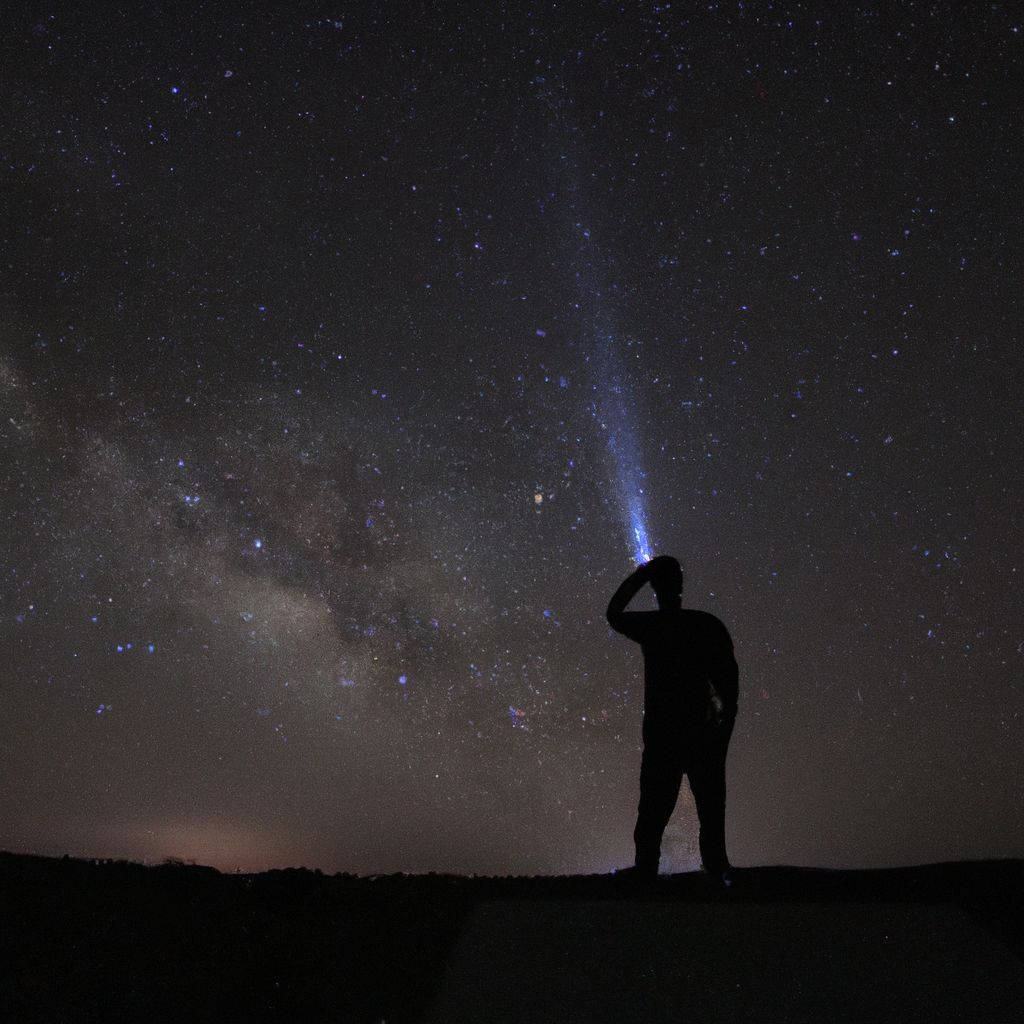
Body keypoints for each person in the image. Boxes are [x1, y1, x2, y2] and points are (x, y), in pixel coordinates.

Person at [607, 555, 738, 881]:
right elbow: (730, 688)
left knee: (654, 814)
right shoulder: (705, 624)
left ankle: (648, 877)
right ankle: (715, 875)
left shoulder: (654, 626)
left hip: (666, 736)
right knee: (708, 812)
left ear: (655, 587)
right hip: (699, 732)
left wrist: (642, 573)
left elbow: (614, 613)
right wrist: (723, 733)